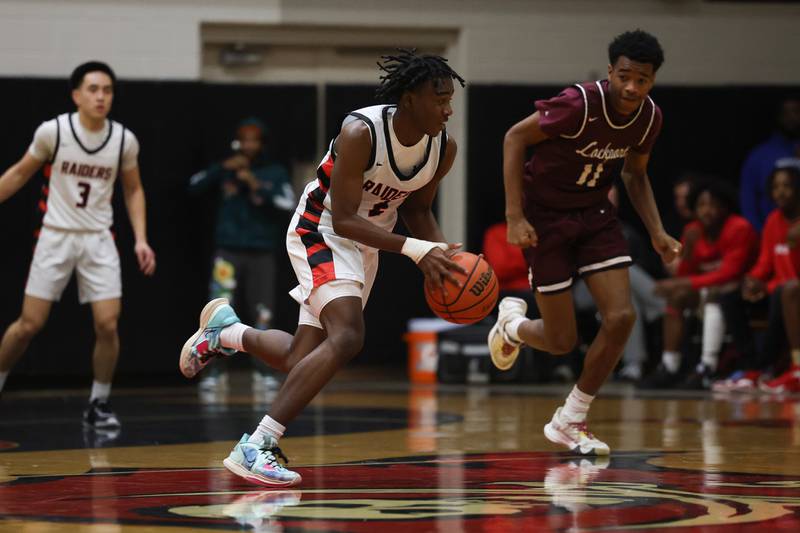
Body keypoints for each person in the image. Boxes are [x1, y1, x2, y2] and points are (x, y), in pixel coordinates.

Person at [180, 50, 466, 486]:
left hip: (367, 244)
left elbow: (419, 209)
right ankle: (256, 444)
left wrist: (441, 255)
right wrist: (415, 251)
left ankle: (227, 332)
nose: (448, 109)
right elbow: (347, 218)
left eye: (451, 100)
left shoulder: (442, 148)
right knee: (348, 336)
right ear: (410, 99)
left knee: (300, 356)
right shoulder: (361, 131)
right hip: (323, 230)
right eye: (439, 98)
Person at [488, 30, 680, 456]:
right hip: (546, 218)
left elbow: (634, 174)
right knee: (560, 340)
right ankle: (513, 327)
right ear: (611, 70)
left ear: (652, 81)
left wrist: (657, 231)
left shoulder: (649, 117)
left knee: (621, 318)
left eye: (642, 80)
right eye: (625, 76)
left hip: (595, 216)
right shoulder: (579, 103)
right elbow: (514, 138)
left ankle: (571, 418)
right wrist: (514, 216)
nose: (632, 87)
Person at [0, 61, 156, 429]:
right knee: (28, 325)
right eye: (93, 89)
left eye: (107, 90)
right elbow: (20, 173)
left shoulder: (123, 140)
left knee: (108, 324)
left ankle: (98, 403)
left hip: (99, 239)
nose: (101, 96)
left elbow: (133, 189)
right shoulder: (53, 132)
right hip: (56, 234)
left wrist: (141, 240)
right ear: (76, 95)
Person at [189, 118, 295, 391]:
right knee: (218, 313)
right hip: (228, 252)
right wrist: (222, 169)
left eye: (253, 139)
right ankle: (214, 373)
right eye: (243, 139)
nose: (248, 144)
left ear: (262, 143)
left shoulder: (273, 172)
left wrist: (255, 183)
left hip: (261, 252)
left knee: (263, 313)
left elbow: (288, 202)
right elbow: (194, 186)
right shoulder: (227, 169)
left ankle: (264, 372)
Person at [643, 180, 758, 390]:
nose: (707, 211)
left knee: (714, 292)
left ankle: (707, 366)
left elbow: (729, 274)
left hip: (739, 295)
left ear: (725, 207)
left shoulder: (740, 228)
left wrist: (683, 281)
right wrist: (687, 252)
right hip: (705, 292)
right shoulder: (693, 230)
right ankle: (669, 366)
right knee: (677, 296)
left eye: (713, 205)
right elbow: (686, 273)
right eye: (702, 205)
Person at [715, 159, 800, 393]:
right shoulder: (773, 220)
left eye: (787, 186)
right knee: (730, 296)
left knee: (782, 293)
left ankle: (776, 368)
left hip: (791, 291)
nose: (780, 192)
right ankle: (750, 367)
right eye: (775, 187)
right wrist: (752, 281)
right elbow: (765, 262)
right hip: (777, 288)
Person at [740, 97, 800, 231]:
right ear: (779, 117)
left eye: (796, 112)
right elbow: (748, 203)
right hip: (770, 233)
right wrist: (762, 234)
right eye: (786, 113)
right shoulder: (760, 155)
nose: (792, 118)